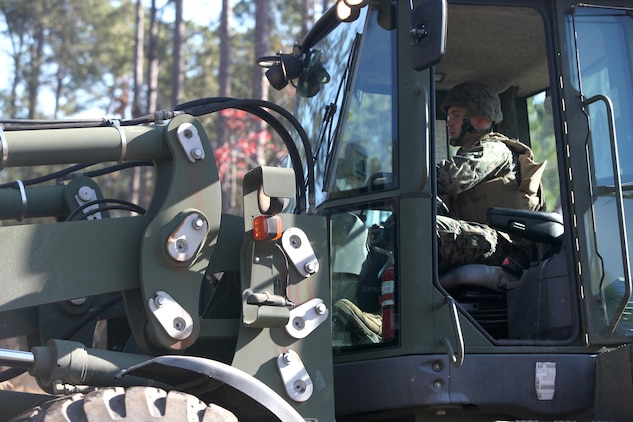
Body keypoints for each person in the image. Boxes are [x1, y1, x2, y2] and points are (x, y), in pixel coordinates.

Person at [436, 82, 546, 274]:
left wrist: (410, 179)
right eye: (449, 116)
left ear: (480, 119)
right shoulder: (472, 152)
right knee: (394, 229)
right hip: (488, 241)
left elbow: (450, 177)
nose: (448, 122)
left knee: (428, 229)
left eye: (455, 115)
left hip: (510, 248)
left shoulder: (495, 150)